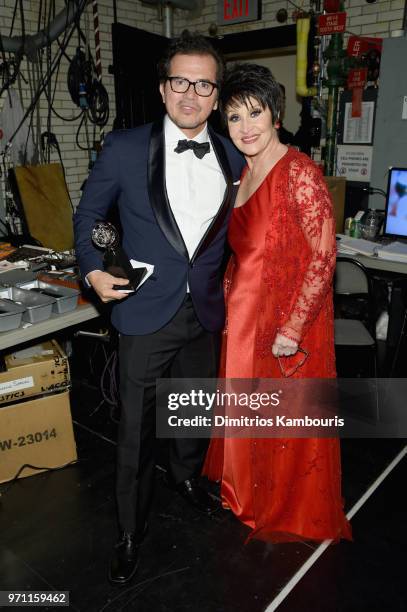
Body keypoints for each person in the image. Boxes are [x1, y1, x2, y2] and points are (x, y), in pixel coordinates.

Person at [74, 31, 244, 584]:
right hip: (145, 309)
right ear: (163, 88)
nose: (190, 94)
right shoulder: (124, 148)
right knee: (135, 431)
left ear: (216, 96)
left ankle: (187, 476)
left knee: (194, 408)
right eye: (180, 82)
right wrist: (92, 269)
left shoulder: (232, 154)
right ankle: (129, 530)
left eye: (203, 84)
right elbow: (87, 216)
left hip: (207, 312)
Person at [203, 63, 352, 543]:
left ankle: (277, 501)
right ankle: (245, 493)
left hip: (280, 321)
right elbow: (241, 252)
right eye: (233, 118)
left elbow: (324, 256)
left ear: (276, 114)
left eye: (254, 113)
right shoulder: (243, 175)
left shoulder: (300, 172)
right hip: (242, 316)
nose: (245, 127)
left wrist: (292, 328)